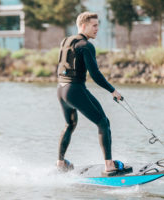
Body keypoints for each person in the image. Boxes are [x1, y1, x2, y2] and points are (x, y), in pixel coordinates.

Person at [56, 12, 123, 173]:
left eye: (98, 25)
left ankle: (60, 163)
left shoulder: (66, 41)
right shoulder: (86, 46)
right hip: (75, 89)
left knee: (70, 124)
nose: (97, 29)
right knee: (103, 122)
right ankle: (109, 166)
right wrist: (113, 91)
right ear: (84, 26)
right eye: (94, 25)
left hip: (61, 89)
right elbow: (96, 75)